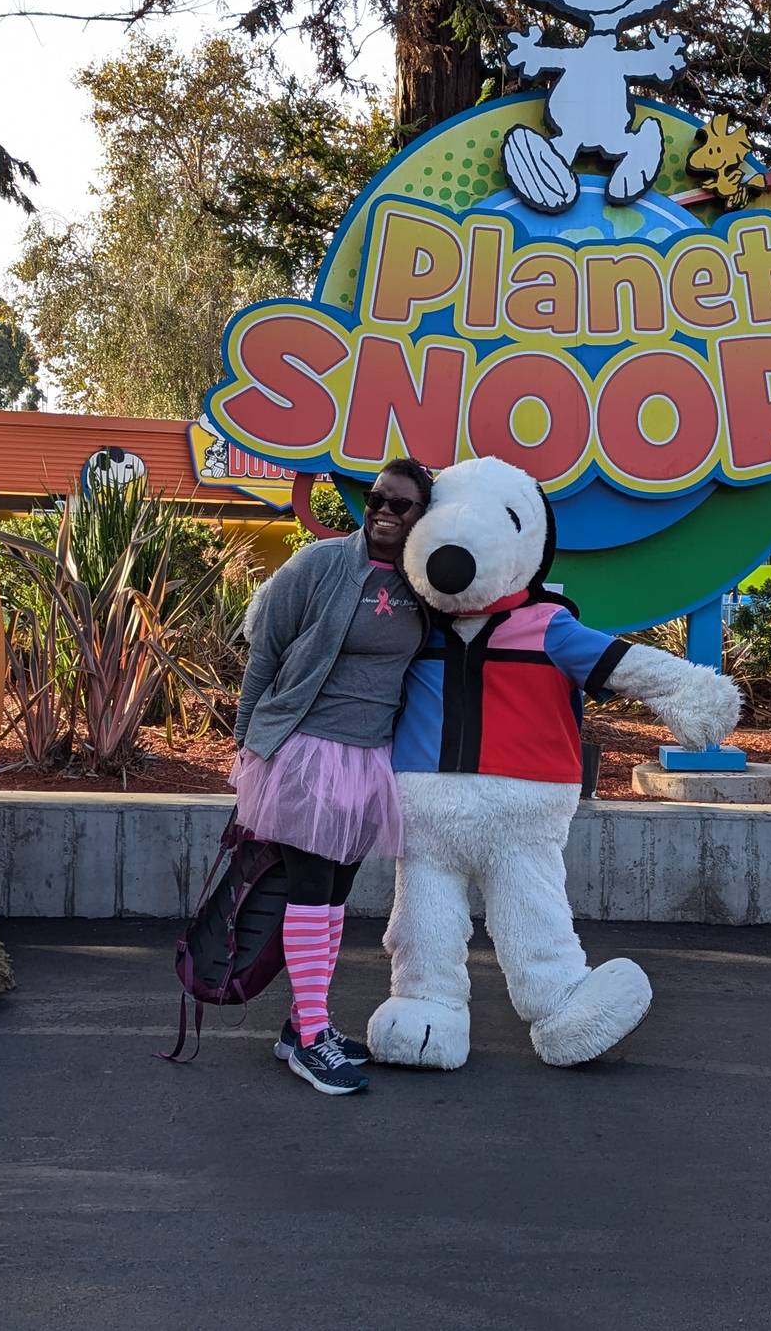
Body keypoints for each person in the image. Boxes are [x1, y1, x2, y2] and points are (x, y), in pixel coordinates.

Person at [230, 458, 433, 1095]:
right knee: (311, 889)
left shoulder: (425, 584)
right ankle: (312, 1040)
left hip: (371, 757)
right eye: (377, 499)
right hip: (306, 751)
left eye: (402, 506)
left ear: (423, 517)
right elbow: (265, 651)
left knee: (337, 894)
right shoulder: (318, 564)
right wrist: (245, 746)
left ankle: (302, 1024)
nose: (384, 513)